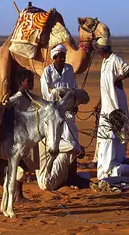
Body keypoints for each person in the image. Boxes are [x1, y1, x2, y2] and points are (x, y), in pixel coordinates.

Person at [37, 44, 87, 190]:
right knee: (58, 143)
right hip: (54, 114)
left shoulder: (69, 69)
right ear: (54, 58)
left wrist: (75, 102)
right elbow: (46, 94)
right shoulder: (47, 72)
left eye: (64, 57)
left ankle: (72, 175)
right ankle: (55, 174)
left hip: (69, 112)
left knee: (72, 140)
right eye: (60, 57)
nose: (63, 59)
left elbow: (74, 88)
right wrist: (58, 97)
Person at [0, 69, 40, 202]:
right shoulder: (15, 100)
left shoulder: (30, 97)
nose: (32, 84)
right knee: (20, 167)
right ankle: (17, 196)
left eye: (32, 81)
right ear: (21, 82)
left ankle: (17, 195)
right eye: (29, 81)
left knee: (23, 167)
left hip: (27, 138)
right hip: (16, 139)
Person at [91, 37, 129, 172]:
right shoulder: (104, 62)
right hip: (106, 105)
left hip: (116, 103)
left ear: (102, 49)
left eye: (98, 49)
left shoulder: (115, 59)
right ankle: (103, 162)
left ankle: (119, 159)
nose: (97, 52)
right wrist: (99, 102)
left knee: (119, 132)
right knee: (104, 134)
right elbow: (104, 86)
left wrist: (119, 79)